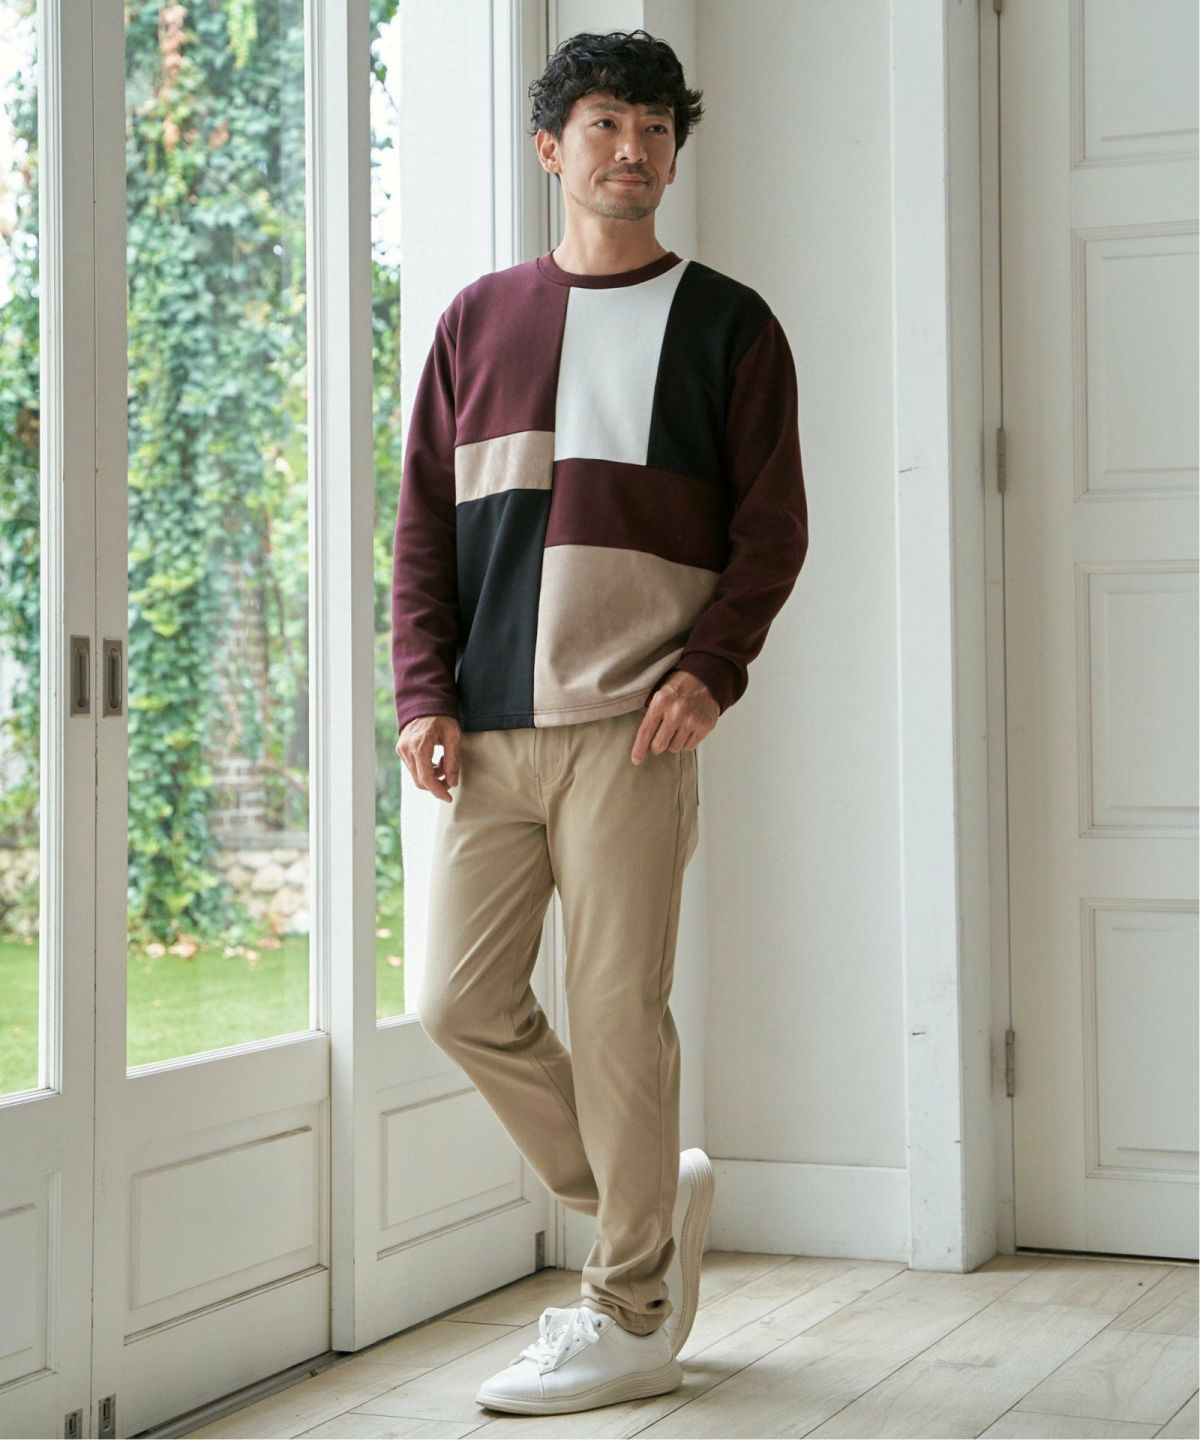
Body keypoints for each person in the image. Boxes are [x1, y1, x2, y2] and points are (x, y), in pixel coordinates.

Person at [391, 27, 809, 1418]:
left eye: (656, 129)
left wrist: (712, 671)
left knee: (619, 1015)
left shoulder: (731, 325)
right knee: (457, 1003)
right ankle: (646, 1200)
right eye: (606, 125)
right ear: (551, 148)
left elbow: (772, 530)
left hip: (635, 727)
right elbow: (422, 529)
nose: (634, 150)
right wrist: (422, 690)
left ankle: (630, 1314)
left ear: (673, 155)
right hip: (492, 731)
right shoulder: (478, 320)